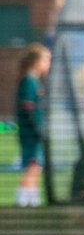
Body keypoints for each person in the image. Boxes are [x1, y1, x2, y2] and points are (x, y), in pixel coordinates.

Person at [14, 44, 51, 207]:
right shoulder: (29, 81)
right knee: (32, 166)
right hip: (31, 134)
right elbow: (28, 108)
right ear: (36, 62)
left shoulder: (35, 81)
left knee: (36, 167)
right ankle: (22, 201)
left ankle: (32, 200)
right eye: (46, 60)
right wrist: (38, 129)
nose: (48, 64)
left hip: (34, 133)